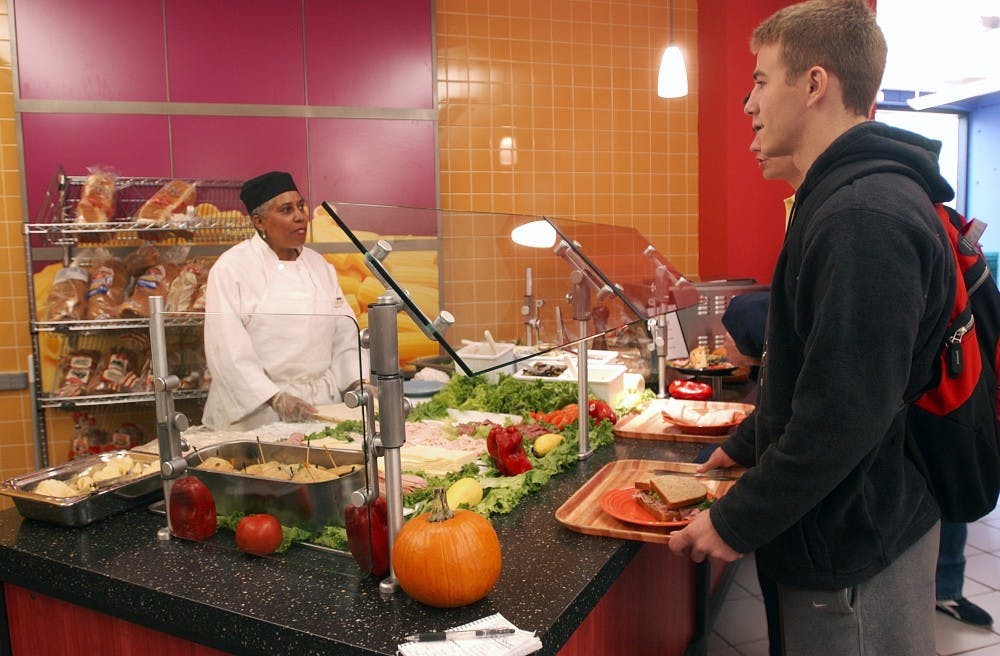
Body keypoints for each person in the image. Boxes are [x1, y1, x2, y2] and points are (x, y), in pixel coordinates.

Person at [669, 2, 957, 654]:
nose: (748, 103)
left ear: (815, 83)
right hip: (835, 530)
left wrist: (736, 520)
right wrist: (744, 447)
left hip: (856, 546)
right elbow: (813, 372)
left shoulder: (865, 214)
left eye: (761, 80)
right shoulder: (843, 199)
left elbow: (844, 414)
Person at [202, 171, 365, 430]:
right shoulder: (232, 268)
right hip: (257, 414)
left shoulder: (319, 265)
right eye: (286, 210)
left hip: (321, 406)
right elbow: (226, 349)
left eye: (300, 206)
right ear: (259, 222)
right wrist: (275, 399)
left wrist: (359, 382)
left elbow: (344, 334)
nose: (300, 216)